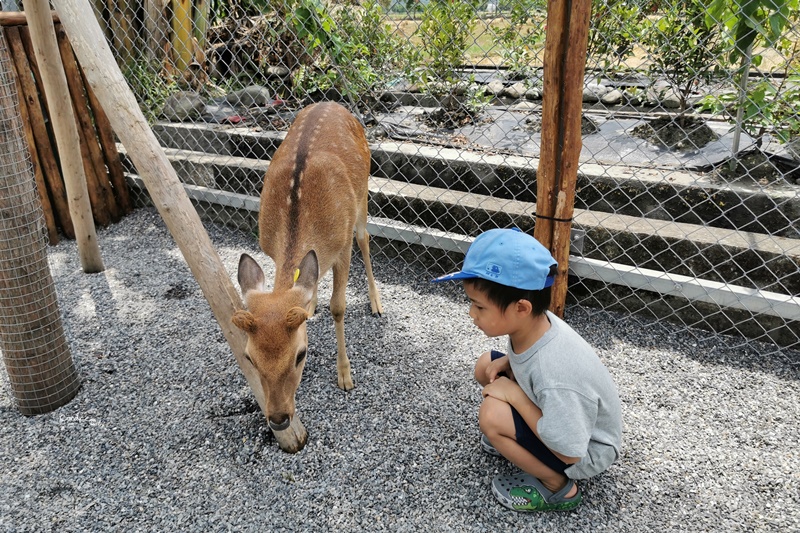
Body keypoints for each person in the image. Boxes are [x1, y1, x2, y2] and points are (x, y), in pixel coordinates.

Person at [432, 228, 622, 512]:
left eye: (479, 306)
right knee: (487, 365)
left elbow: (568, 451)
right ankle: (517, 441)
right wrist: (509, 362)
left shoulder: (554, 370)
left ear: (521, 307)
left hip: (584, 451)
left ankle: (556, 487)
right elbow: (530, 362)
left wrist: (513, 396)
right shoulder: (536, 324)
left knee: (492, 416)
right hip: (562, 419)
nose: (472, 314)